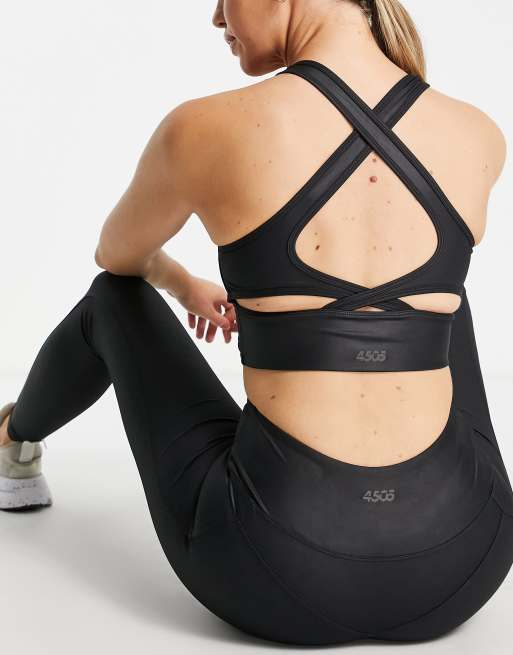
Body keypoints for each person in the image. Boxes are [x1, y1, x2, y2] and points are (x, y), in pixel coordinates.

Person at [1, 0, 512, 646]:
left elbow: (117, 257)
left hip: (274, 572)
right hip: (465, 562)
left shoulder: (203, 127)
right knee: (434, 301)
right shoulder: (478, 133)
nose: (218, 18)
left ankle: (10, 445)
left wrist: (178, 282)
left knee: (113, 298)